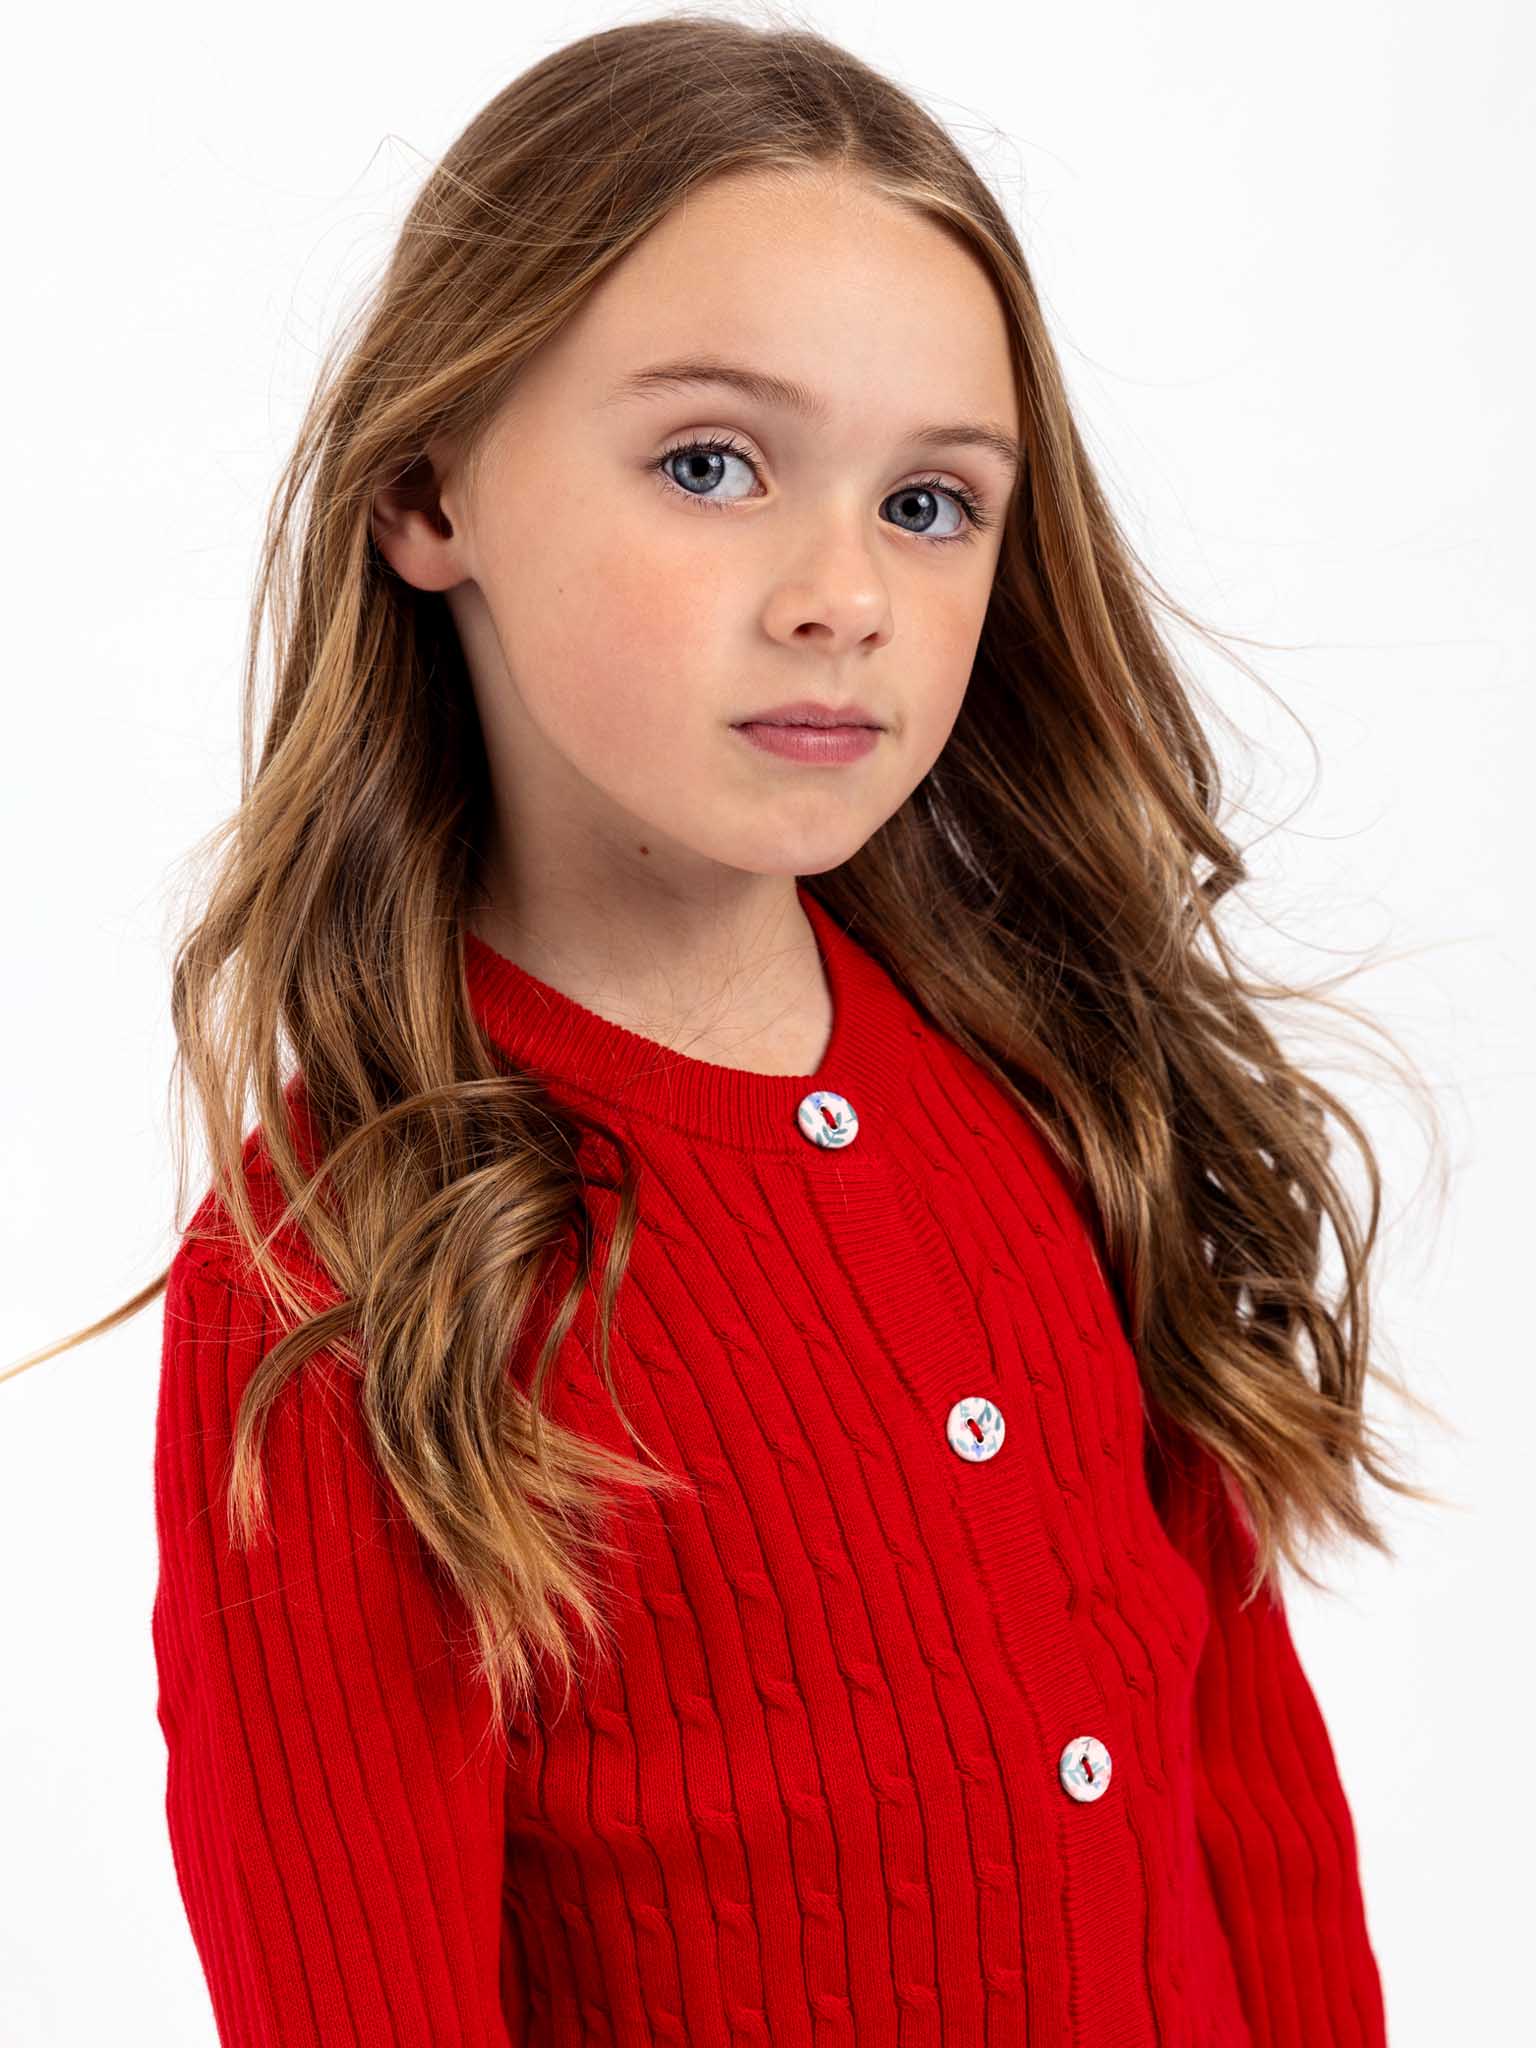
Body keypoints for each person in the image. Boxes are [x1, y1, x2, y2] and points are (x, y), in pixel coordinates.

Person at [17, 14, 1446, 2045]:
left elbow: (1250, 1802)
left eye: (934, 504)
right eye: (713, 464)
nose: (841, 593)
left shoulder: (1054, 1094)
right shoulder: (346, 1281)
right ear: (431, 492)